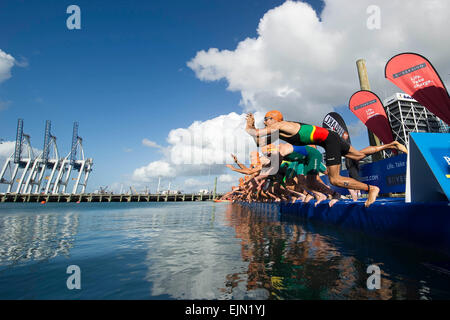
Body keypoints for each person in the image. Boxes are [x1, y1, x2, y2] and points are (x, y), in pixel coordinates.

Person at [245, 110, 408, 207]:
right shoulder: (278, 130)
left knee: (335, 179)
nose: (264, 122)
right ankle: (391, 144)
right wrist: (252, 128)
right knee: (359, 155)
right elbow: (259, 141)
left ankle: (371, 189)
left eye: (266, 119)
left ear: (274, 119)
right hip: (330, 137)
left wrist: (250, 127)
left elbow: (257, 134)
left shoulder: (279, 125)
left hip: (329, 140)